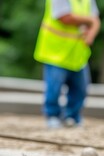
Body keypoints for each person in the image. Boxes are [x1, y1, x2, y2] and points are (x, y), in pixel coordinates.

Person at [34, 0, 100, 129]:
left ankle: (72, 117)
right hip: (55, 52)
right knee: (54, 88)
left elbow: (96, 20)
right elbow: (64, 17)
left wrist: (91, 31)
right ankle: (53, 116)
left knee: (80, 88)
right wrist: (90, 21)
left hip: (77, 53)